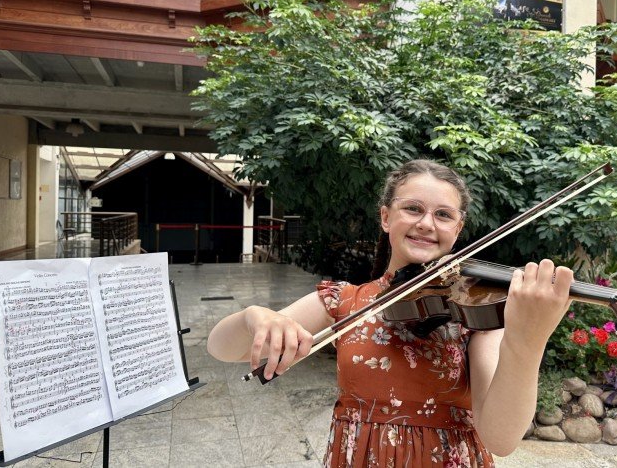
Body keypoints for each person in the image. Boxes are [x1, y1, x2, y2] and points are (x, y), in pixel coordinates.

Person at [207, 159, 574, 467]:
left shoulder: (472, 313)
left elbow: (501, 438)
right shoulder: (345, 299)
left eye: (443, 215)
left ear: (458, 229)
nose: (426, 223)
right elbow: (221, 349)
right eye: (412, 209)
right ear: (386, 217)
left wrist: (529, 340)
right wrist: (256, 316)